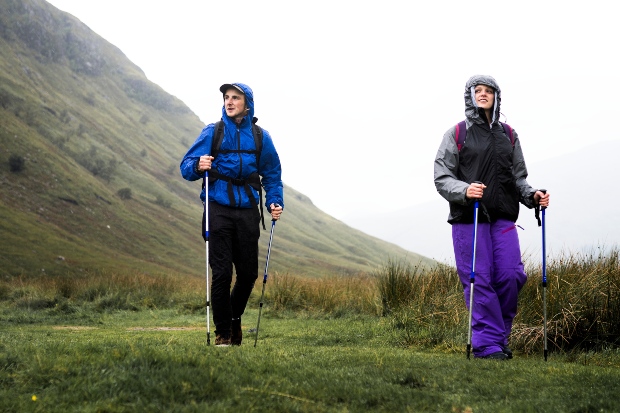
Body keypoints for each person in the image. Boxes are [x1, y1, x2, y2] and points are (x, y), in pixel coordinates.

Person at [433, 75, 550, 360]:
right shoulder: (457, 134)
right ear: (469, 96)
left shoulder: (509, 135)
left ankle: (500, 337)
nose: (483, 95)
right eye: (478, 91)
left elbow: (518, 178)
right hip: (469, 217)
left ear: (497, 96)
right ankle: (488, 346)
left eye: (488, 91)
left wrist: (532, 195)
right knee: (479, 279)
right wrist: (465, 189)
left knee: (511, 275)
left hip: (503, 218)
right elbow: (441, 176)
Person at [180, 83, 284, 346]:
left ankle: (234, 319)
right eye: (226, 97)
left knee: (248, 274)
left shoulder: (261, 137)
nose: (229, 101)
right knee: (222, 273)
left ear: (247, 104)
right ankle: (223, 333)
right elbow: (186, 166)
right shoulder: (213, 132)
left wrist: (274, 201)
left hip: (248, 210)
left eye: (235, 98)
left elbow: (271, 174)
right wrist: (198, 164)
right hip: (218, 208)